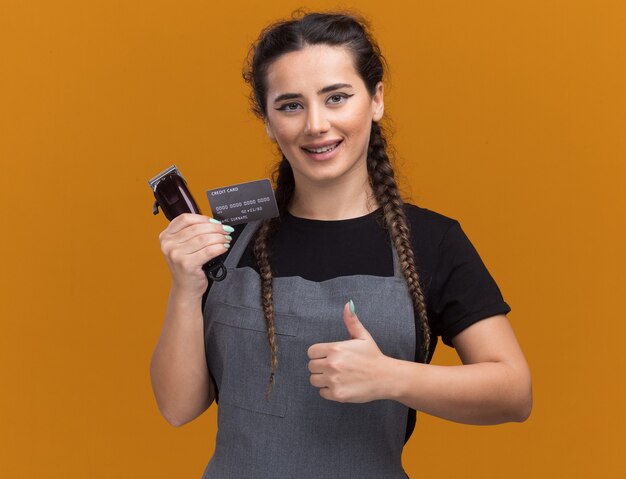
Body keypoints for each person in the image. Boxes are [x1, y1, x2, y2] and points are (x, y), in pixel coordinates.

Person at [150, 11, 532, 478]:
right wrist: (185, 288)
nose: (316, 124)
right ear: (268, 121)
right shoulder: (229, 239)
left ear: (375, 100)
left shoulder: (433, 242)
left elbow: (514, 393)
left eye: (337, 98)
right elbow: (177, 407)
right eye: (290, 105)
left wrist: (391, 377)